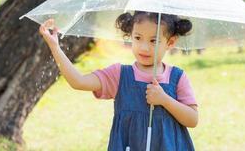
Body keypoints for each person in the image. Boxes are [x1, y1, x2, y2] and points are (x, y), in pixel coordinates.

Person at [39, 11, 198, 151]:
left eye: (153, 41)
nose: (143, 47)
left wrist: (164, 100)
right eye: (138, 37)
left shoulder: (177, 77)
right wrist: (55, 47)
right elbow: (78, 81)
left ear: (170, 42)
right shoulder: (119, 75)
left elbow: (192, 119)